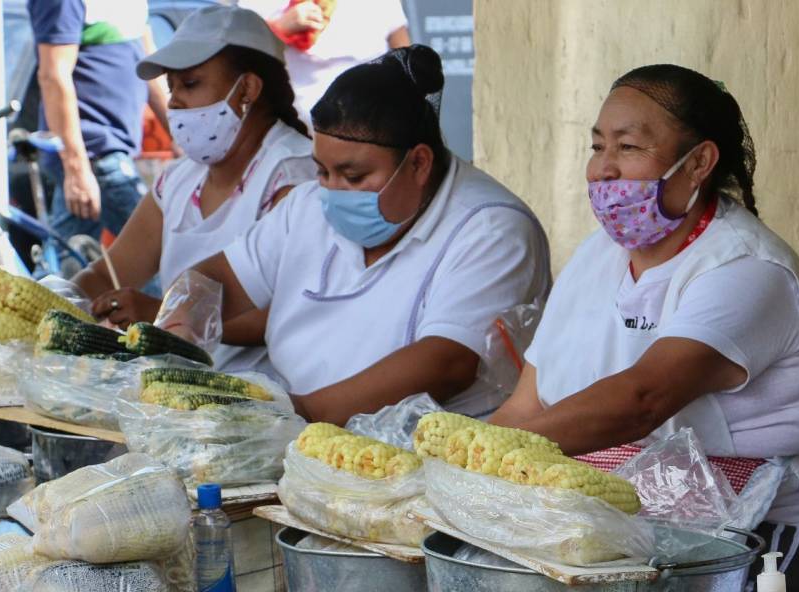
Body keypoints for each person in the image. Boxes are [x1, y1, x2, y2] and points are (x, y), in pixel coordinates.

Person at [489, 65, 799, 586]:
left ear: (699, 163)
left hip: (750, 542)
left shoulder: (747, 269)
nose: (603, 169)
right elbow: (528, 403)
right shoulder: (597, 255)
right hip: (617, 533)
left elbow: (641, 400)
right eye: (598, 146)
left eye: (628, 147)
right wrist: (454, 460)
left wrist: (494, 456)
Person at [180, 45, 550, 422]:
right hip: (301, 431)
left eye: (353, 176)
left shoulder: (493, 228)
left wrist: (304, 412)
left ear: (419, 163)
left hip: (427, 452)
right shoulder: (306, 205)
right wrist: (177, 326)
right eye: (322, 171)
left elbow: (446, 362)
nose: (332, 189)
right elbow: (216, 278)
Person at [72, 5, 314, 372]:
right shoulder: (180, 180)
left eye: (190, 84)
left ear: (247, 89)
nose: (173, 102)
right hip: (176, 398)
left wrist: (160, 314)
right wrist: (57, 302)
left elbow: (283, 316)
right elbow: (108, 274)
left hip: (264, 402)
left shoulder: (294, 176)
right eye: (170, 87)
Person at [27, 0, 169, 252]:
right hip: (95, 154)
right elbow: (53, 76)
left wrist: (180, 132)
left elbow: (150, 65)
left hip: (109, 152)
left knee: (67, 268)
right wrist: (77, 169)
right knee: (162, 251)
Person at [238, 0, 411, 124]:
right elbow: (238, 54)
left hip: (369, 124)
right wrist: (279, 28)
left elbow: (405, 56)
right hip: (293, 132)